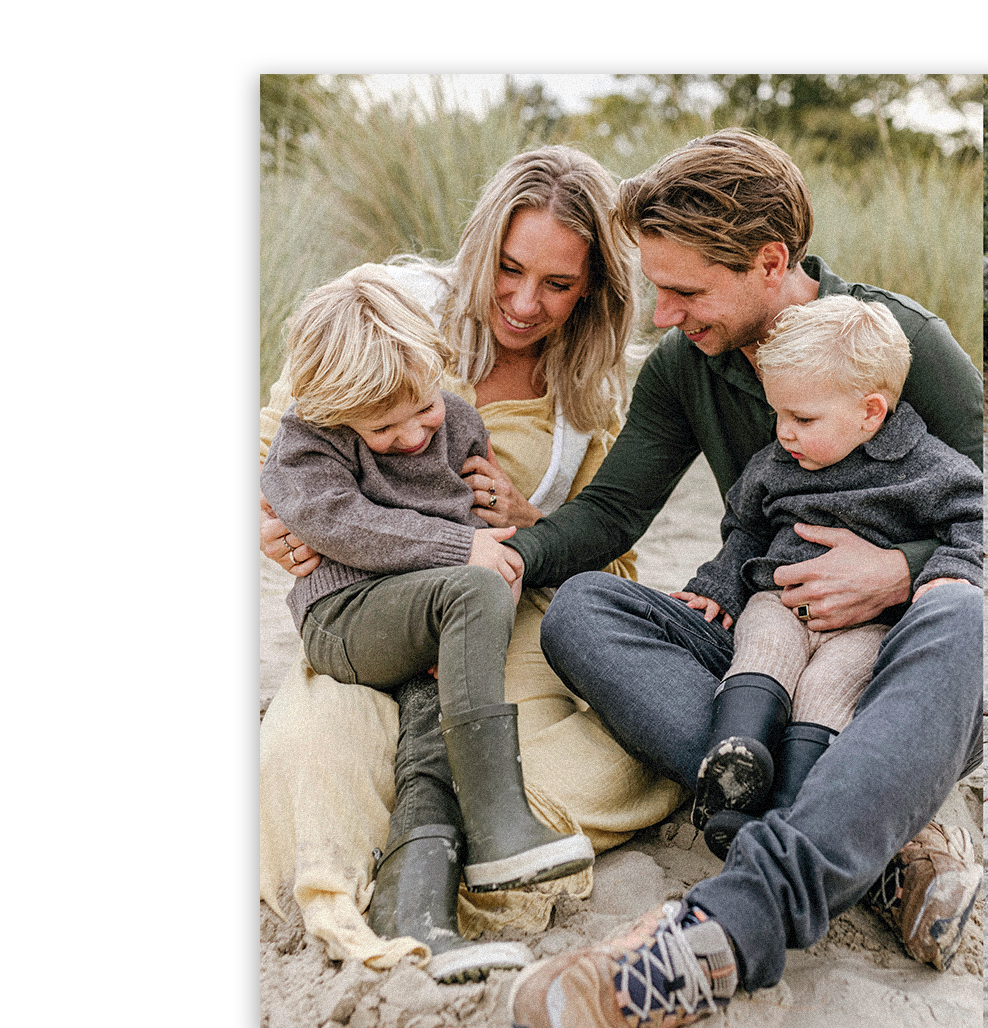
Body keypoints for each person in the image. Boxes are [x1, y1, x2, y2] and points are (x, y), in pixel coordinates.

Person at [502, 129, 985, 1028]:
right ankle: (870, 840)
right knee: (584, 610)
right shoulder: (688, 366)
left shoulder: (903, 344)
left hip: (895, 658)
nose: (662, 315)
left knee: (964, 613)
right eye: (657, 288)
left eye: (684, 291)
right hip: (768, 639)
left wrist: (897, 572)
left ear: (771, 263)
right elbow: (614, 513)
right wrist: (515, 555)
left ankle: (729, 925)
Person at [258, 146, 681, 979]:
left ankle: (452, 866)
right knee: (308, 754)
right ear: (482, 243)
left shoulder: (589, 398)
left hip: (498, 625)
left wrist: (534, 526)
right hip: (366, 617)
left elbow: (614, 564)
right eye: (508, 269)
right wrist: (268, 526)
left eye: (558, 285)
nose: (525, 303)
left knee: (636, 746)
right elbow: (279, 449)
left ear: (595, 286)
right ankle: (384, 883)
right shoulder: (386, 311)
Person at [262, 271, 594, 907]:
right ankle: (499, 826)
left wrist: (492, 524)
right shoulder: (309, 439)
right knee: (478, 586)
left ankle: (413, 897)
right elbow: (339, 522)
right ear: (335, 414)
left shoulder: (458, 422)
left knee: (431, 727)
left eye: (423, 409)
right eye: (383, 431)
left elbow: (461, 511)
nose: (414, 436)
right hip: (346, 616)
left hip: (419, 617)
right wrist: (462, 550)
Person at [674, 296, 983, 894]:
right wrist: (714, 586)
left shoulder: (926, 467)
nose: (784, 433)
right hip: (780, 602)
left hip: (866, 626)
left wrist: (947, 569)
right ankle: (736, 754)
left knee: (832, 682)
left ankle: (795, 802)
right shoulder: (776, 463)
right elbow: (745, 528)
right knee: (761, 646)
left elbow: (974, 516)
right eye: (777, 415)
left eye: (803, 419)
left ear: (871, 412)